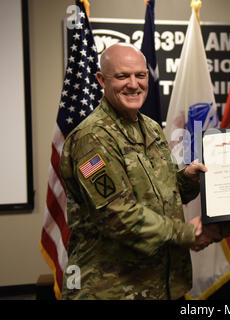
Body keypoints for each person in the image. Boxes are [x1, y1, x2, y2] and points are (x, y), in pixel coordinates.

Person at [60, 43, 219, 300]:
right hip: (111, 288)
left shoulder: (151, 128)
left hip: (160, 283)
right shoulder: (92, 138)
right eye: (122, 76)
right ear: (102, 79)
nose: (133, 84)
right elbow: (116, 215)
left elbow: (158, 194)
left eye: (140, 75)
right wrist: (187, 234)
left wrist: (187, 179)